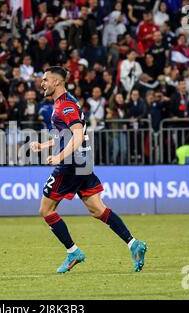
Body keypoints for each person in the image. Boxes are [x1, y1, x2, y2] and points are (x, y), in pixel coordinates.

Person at [30, 66, 148, 274]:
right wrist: (45, 146)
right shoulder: (65, 103)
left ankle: (73, 252)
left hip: (72, 164)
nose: (43, 83)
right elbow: (64, 135)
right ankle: (134, 244)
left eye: (46, 79)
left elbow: (76, 135)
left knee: (46, 210)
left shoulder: (65, 106)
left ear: (57, 82)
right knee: (97, 209)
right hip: (82, 162)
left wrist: (58, 156)